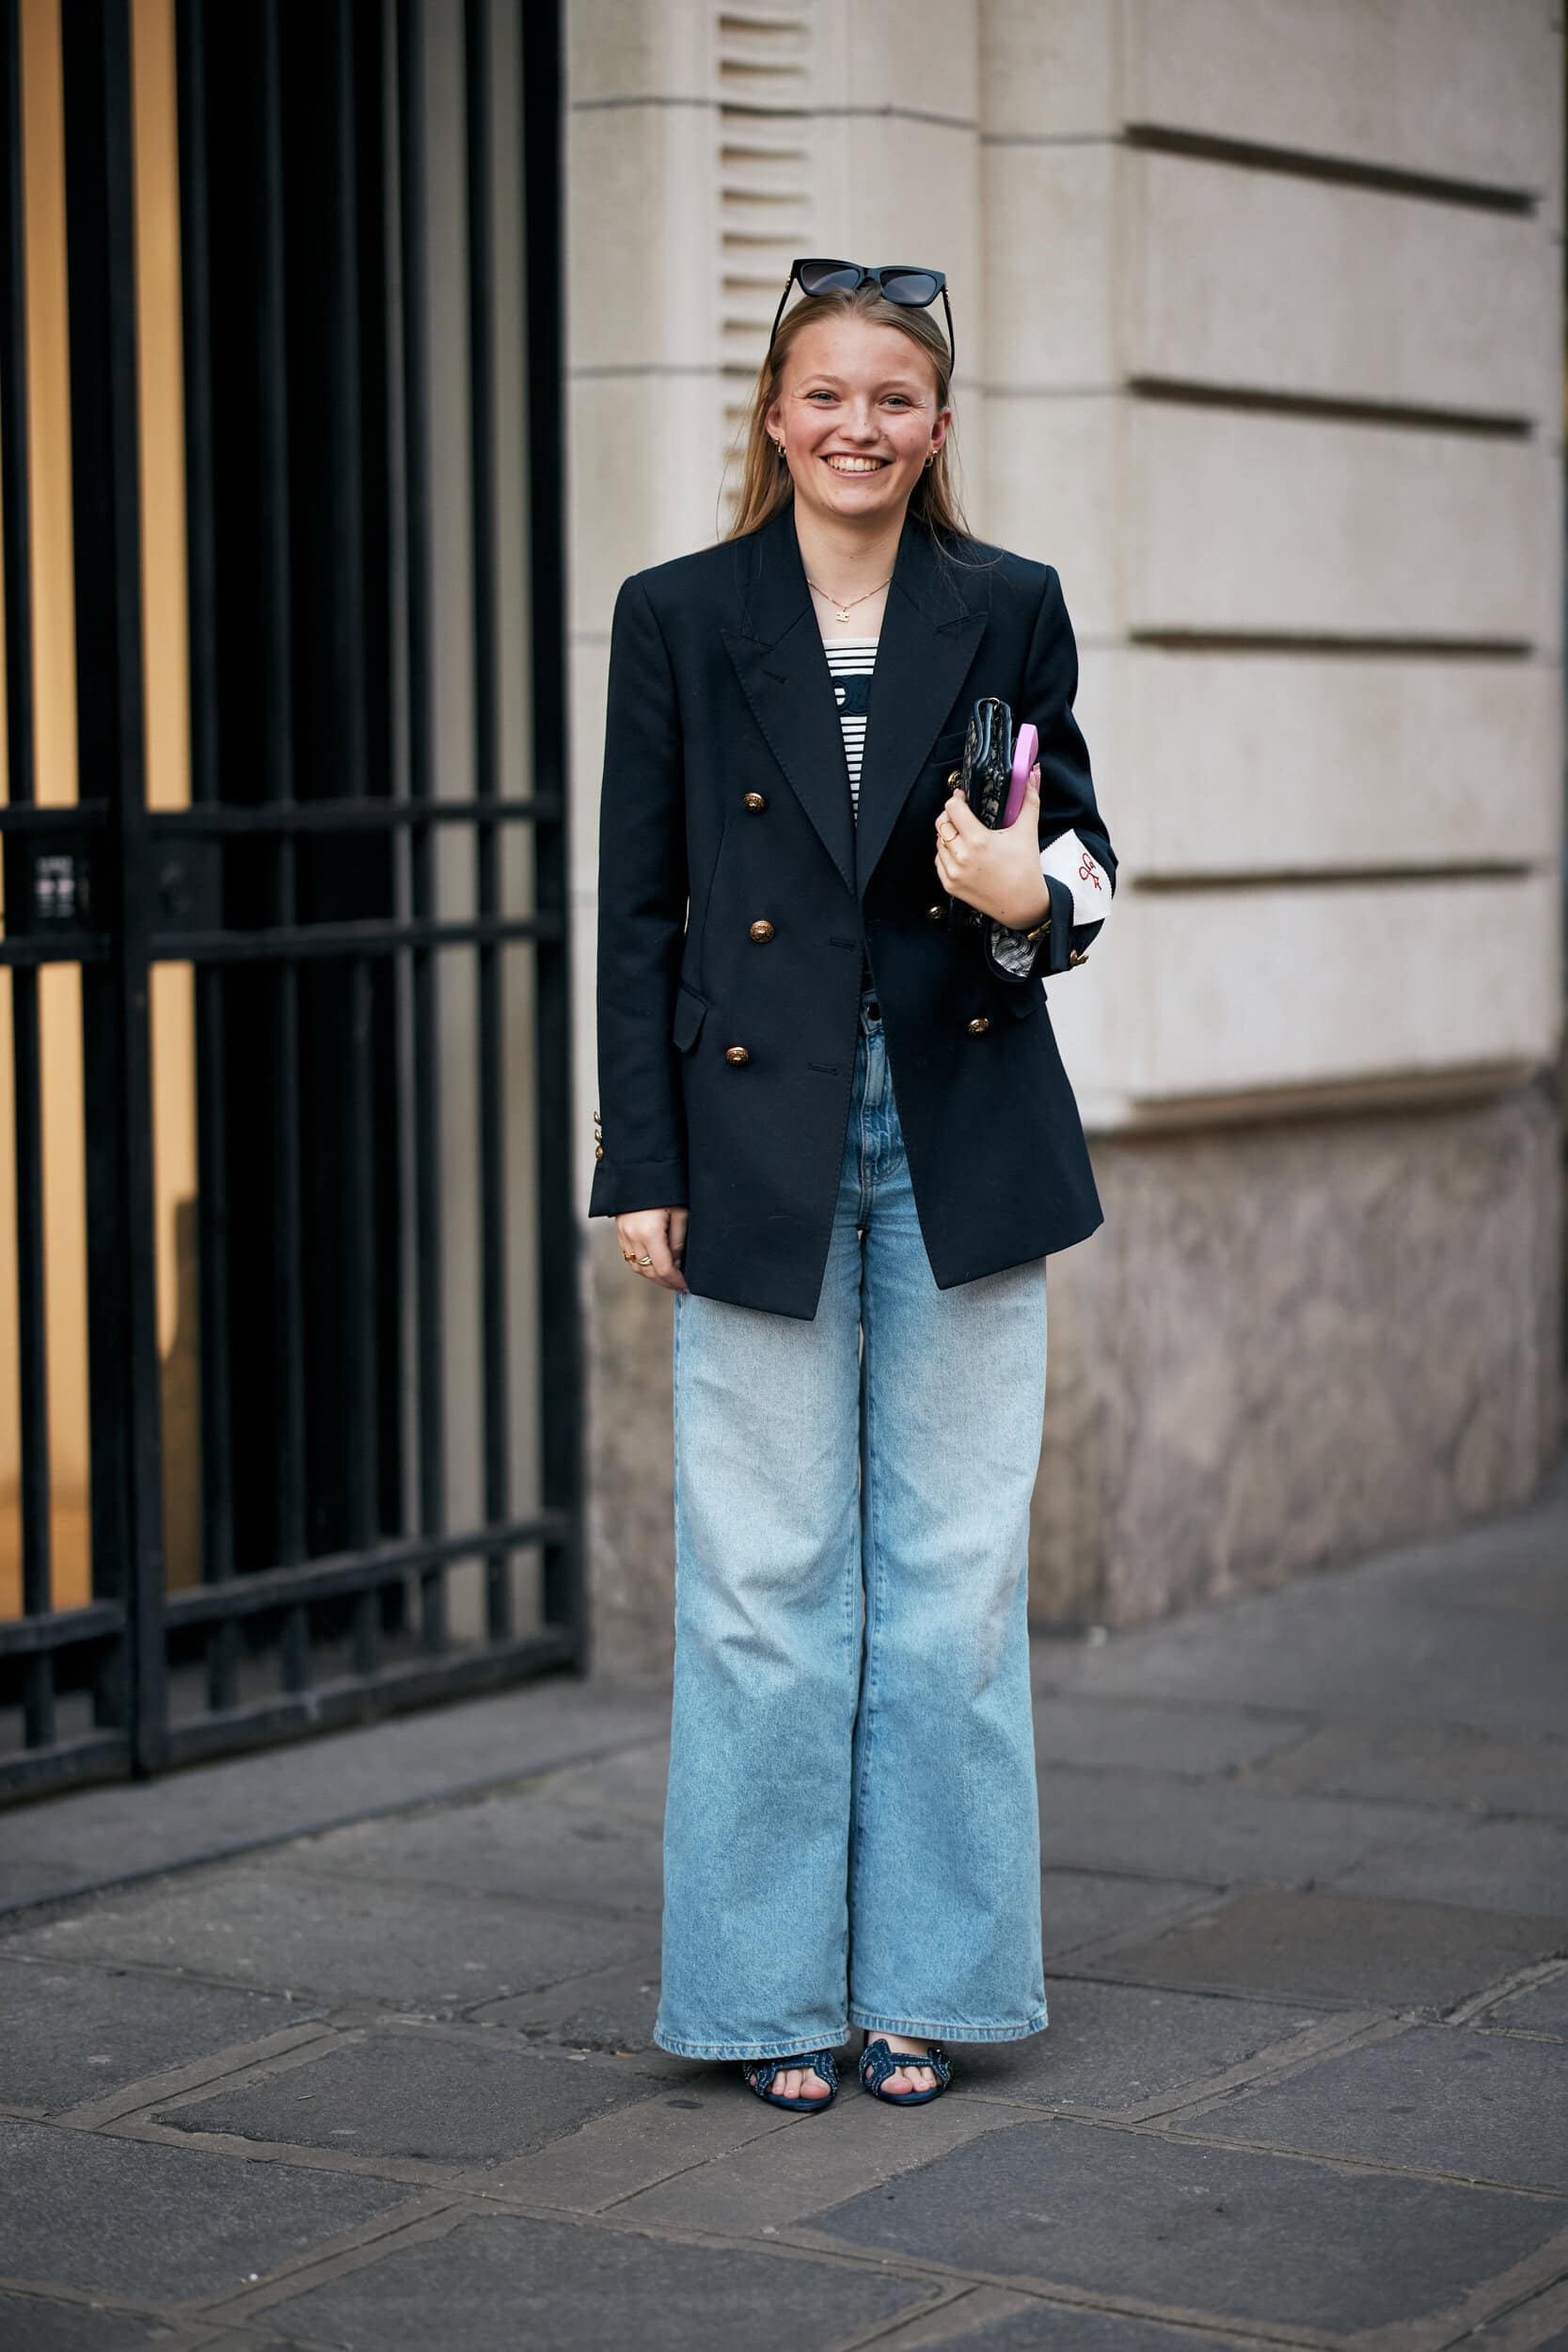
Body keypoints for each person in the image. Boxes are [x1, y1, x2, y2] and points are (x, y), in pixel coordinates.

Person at [590, 259, 1116, 2110]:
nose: (859, 424)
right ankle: (757, 1994)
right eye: (828, 392)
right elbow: (639, 908)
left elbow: (1089, 857)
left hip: (957, 1129)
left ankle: (924, 1982)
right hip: (751, 1138)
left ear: (940, 425)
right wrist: (634, 1160)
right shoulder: (675, 616)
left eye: (896, 396)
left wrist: (1028, 896)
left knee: (956, 1577)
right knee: (760, 1574)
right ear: (774, 410)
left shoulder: (1007, 606)